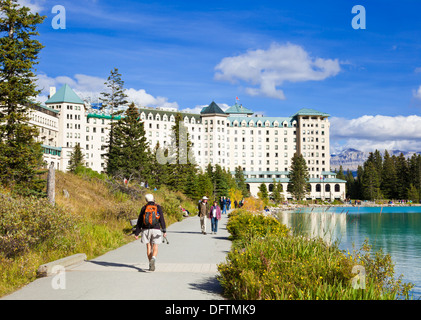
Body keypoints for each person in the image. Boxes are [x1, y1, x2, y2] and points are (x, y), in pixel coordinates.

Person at [134, 194, 166, 271]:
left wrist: (137, 233)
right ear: (153, 199)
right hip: (156, 229)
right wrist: (164, 230)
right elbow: (161, 219)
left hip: (146, 230)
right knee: (155, 246)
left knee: (149, 246)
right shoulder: (158, 207)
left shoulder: (144, 208)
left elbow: (140, 221)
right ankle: (153, 259)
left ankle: (150, 263)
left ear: (146, 200)